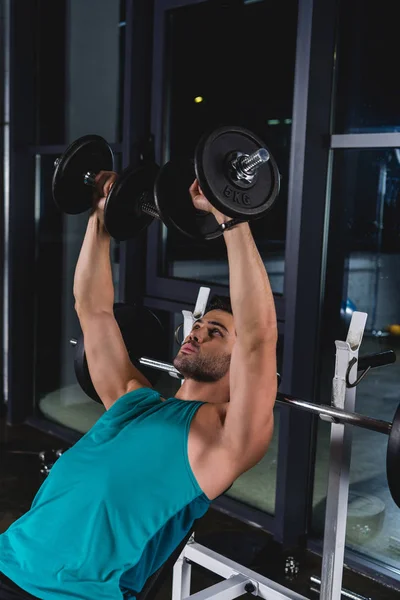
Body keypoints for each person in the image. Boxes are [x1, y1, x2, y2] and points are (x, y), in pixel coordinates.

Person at [0, 172, 278, 599]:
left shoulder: (225, 438)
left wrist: (231, 218)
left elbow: (259, 336)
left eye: (215, 333)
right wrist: (102, 215)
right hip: (8, 558)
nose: (195, 332)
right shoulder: (134, 398)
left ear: (241, 362)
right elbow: (92, 309)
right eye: (199, 325)